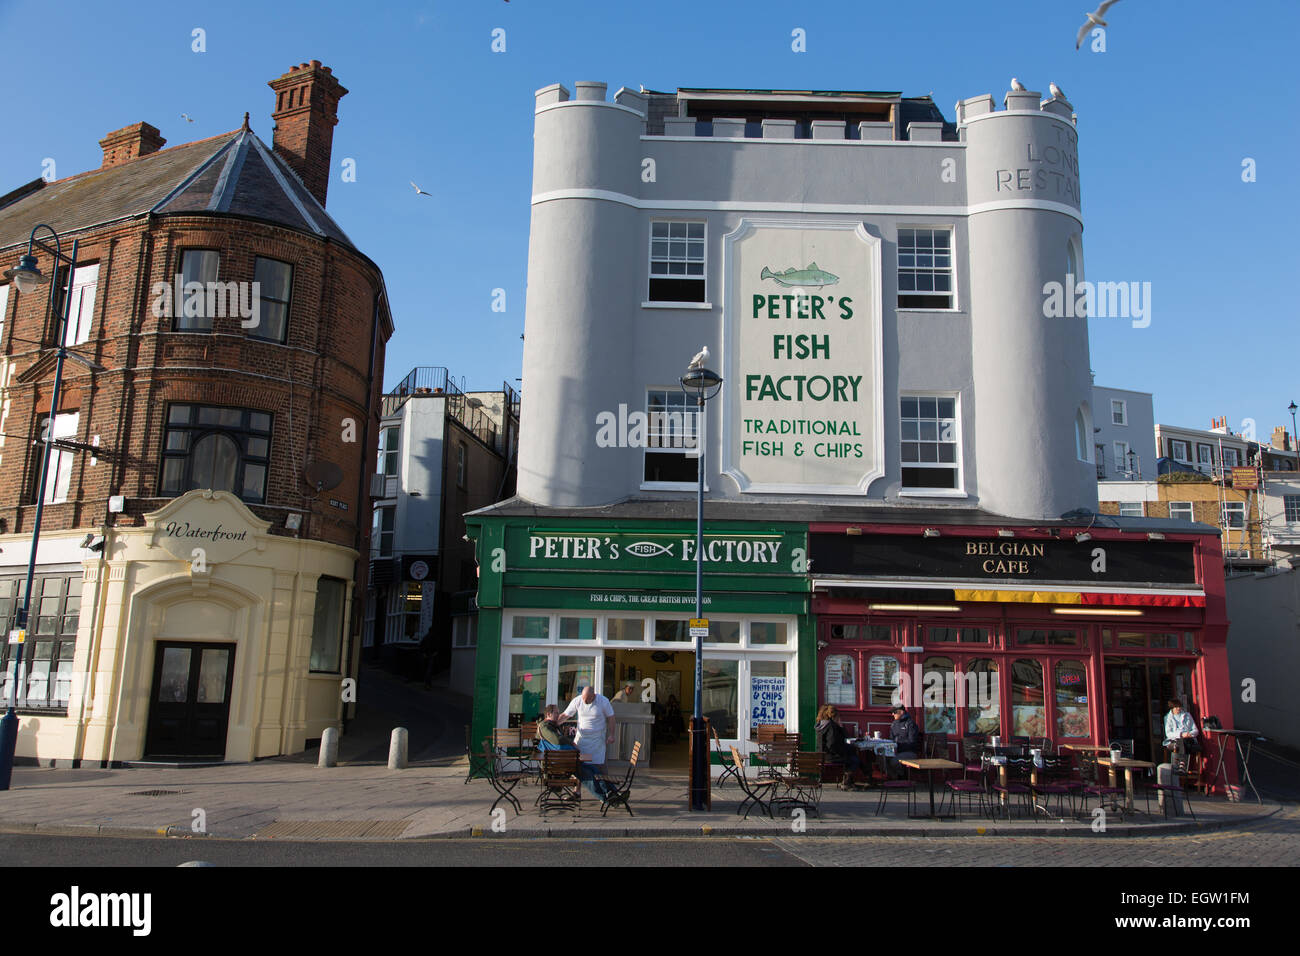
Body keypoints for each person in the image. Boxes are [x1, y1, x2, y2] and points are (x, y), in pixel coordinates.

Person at [561, 685, 616, 795]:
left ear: (593, 696)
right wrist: (552, 723)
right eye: (583, 699)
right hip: (581, 740)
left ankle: (608, 791)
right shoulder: (578, 700)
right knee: (578, 765)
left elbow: (611, 718)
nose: (585, 702)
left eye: (587, 700)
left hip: (597, 740)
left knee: (600, 766)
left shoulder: (603, 701)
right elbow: (565, 715)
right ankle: (577, 791)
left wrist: (612, 734)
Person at [816, 704, 865, 789]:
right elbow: (832, 744)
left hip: (822, 755)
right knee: (855, 760)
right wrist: (842, 751)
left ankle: (850, 780)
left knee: (852, 755)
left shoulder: (821, 725)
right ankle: (847, 782)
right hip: (831, 756)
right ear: (834, 716)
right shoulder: (831, 726)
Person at [887, 704, 922, 779]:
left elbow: (912, 742)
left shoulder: (910, 724)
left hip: (909, 752)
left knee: (894, 761)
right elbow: (891, 739)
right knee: (881, 758)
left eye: (895, 712)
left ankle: (901, 776)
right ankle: (894, 778)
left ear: (902, 712)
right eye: (892, 712)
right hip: (895, 751)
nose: (892, 714)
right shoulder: (894, 724)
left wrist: (898, 746)